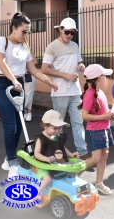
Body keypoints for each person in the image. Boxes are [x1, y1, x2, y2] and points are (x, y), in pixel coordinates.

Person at [0, 12, 58, 178]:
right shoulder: (2, 41)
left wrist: (49, 81)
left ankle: (8, 159)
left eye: (28, 32)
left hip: (17, 87)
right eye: (24, 31)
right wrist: (14, 80)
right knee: (10, 126)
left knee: (19, 127)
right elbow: (1, 62)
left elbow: (33, 70)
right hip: (3, 86)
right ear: (14, 28)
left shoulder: (24, 48)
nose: (26, 35)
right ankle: (13, 163)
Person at [41, 17, 88, 159]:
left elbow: (79, 62)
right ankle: (58, 153)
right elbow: (44, 69)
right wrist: (65, 75)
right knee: (57, 125)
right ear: (60, 29)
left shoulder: (74, 45)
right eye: (67, 32)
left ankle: (83, 153)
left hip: (75, 91)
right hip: (59, 91)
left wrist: (81, 66)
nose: (69, 35)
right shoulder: (52, 47)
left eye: (72, 33)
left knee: (78, 122)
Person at [78, 64, 114, 195]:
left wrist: (110, 114)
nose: (105, 77)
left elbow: (102, 111)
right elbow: (85, 115)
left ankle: (99, 183)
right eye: (104, 75)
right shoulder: (89, 94)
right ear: (99, 78)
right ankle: (73, 175)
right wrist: (104, 116)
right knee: (95, 159)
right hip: (95, 131)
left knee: (104, 156)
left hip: (105, 129)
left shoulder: (100, 92)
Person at [34, 109, 79, 205]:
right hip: (43, 165)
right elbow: (36, 154)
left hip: (55, 164)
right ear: (45, 125)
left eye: (59, 128)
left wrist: (71, 154)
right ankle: (36, 193)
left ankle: (69, 192)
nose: (57, 131)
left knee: (69, 173)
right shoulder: (40, 138)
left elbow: (62, 148)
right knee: (48, 179)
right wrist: (46, 159)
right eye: (55, 128)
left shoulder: (56, 136)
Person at [24, 49, 37, 122]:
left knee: (28, 94)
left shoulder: (28, 50)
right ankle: (25, 112)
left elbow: (35, 61)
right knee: (22, 94)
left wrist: (26, 66)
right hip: (20, 75)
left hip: (29, 75)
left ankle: (29, 112)